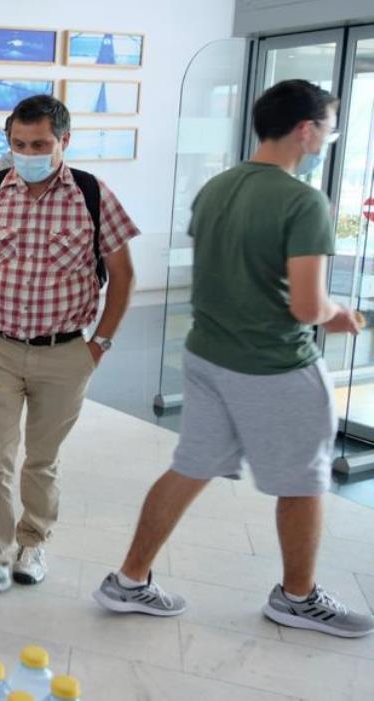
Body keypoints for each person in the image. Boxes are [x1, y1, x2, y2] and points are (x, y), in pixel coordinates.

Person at [93, 80, 374, 638]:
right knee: (304, 481)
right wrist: (338, 313)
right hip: (274, 366)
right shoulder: (304, 202)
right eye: (329, 126)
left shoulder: (216, 188)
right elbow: (306, 304)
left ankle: (128, 580)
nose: (329, 137)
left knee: (191, 465)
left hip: (206, 355)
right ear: (305, 129)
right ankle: (297, 597)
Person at [0, 95, 139, 604]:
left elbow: (123, 275)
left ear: (64, 142)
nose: (27, 153)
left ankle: (32, 543)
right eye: (17, 144)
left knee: (42, 459)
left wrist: (99, 343)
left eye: (39, 144)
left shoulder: (93, 195)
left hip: (64, 354)